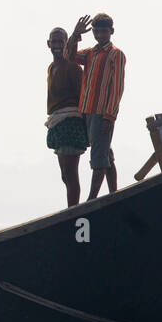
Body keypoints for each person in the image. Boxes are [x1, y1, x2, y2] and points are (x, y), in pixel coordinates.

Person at [66, 13, 126, 200]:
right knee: (104, 152)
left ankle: (92, 199)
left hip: (102, 112)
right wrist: (75, 34)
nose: (100, 34)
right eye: (97, 31)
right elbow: (69, 55)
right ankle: (113, 192)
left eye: (104, 31)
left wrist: (110, 115)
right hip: (88, 110)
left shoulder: (115, 54)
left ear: (111, 32)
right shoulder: (91, 53)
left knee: (99, 158)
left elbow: (116, 88)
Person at [45, 26, 87, 206]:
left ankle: (73, 211)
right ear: (48, 44)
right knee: (65, 175)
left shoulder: (72, 67)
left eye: (60, 41)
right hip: (57, 122)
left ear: (65, 43)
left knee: (70, 174)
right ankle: (72, 208)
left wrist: (86, 126)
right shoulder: (52, 67)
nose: (56, 45)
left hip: (71, 122)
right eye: (53, 41)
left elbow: (83, 97)